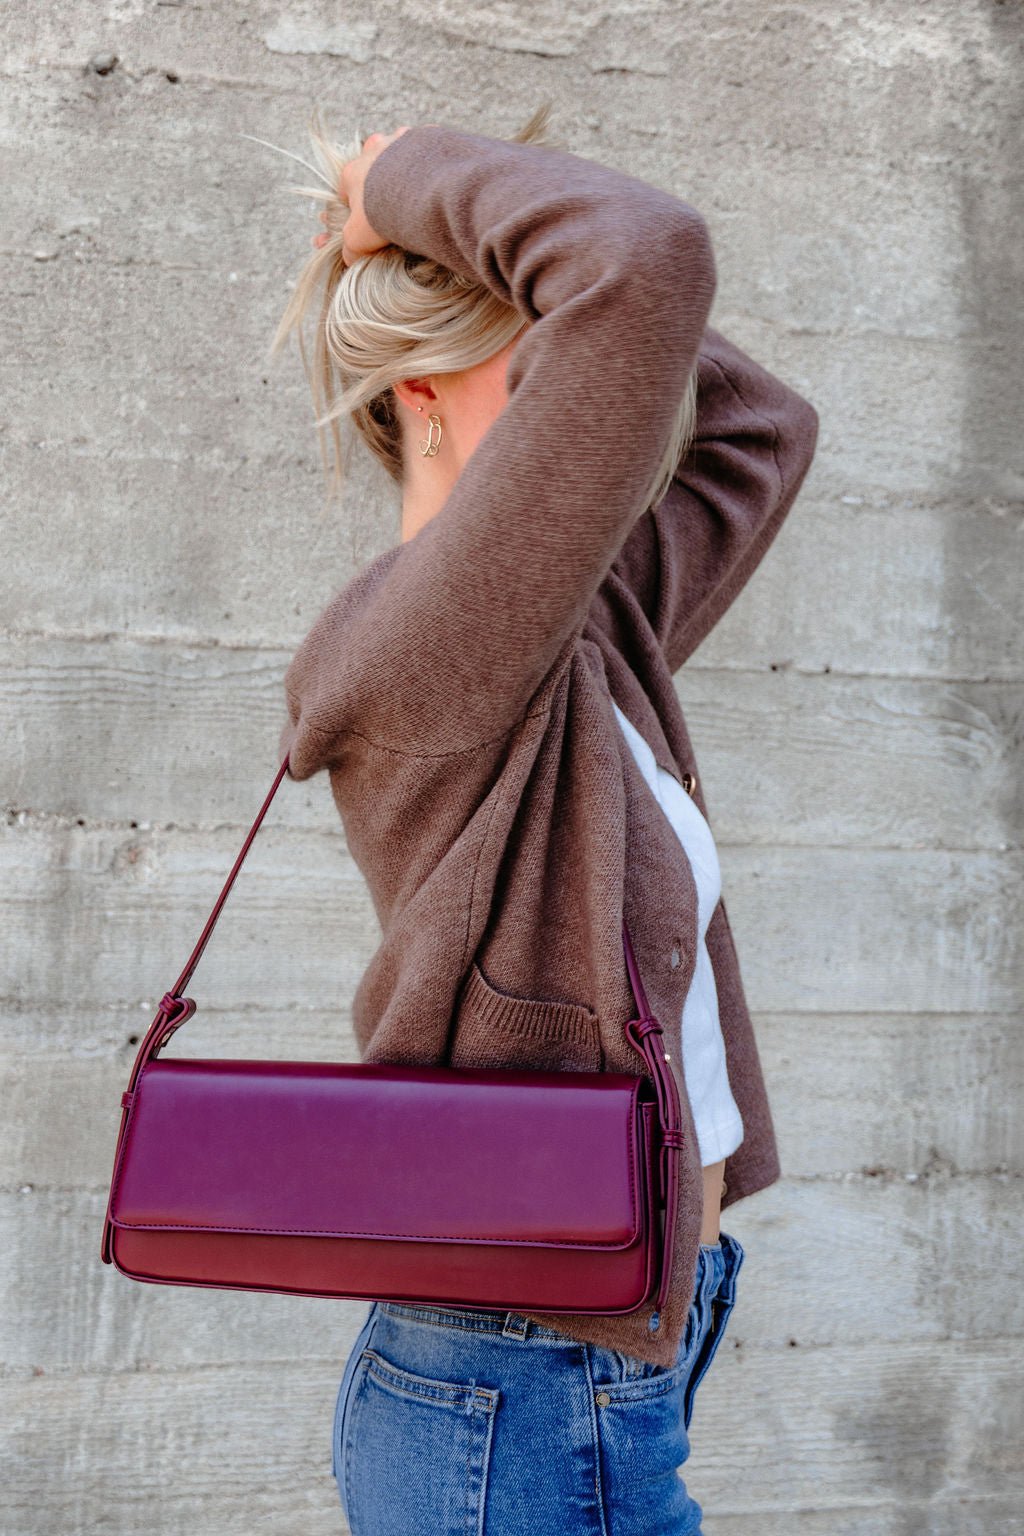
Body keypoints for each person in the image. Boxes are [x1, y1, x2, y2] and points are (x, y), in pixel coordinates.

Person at [270, 104, 819, 1534]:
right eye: (550, 355)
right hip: (518, 1381)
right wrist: (385, 179)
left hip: (608, 1345)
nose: (601, 386)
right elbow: (643, 261)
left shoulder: (577, 635)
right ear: (420, 395)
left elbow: (761, 430)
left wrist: (500, 267)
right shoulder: (432, 642)